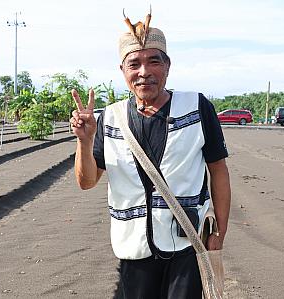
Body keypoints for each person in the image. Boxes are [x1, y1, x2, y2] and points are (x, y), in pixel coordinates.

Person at [70, 11, 231, 299]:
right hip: (133, 248)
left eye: (153, 61)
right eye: (135, 64)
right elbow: (86, 181)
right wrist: (85, 140)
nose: (144, 72)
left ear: (167, 66)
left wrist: (219, 231)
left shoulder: (196, 107)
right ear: (123, 71)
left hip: (187, 244)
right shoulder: (110, 118)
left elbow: (218, 169)